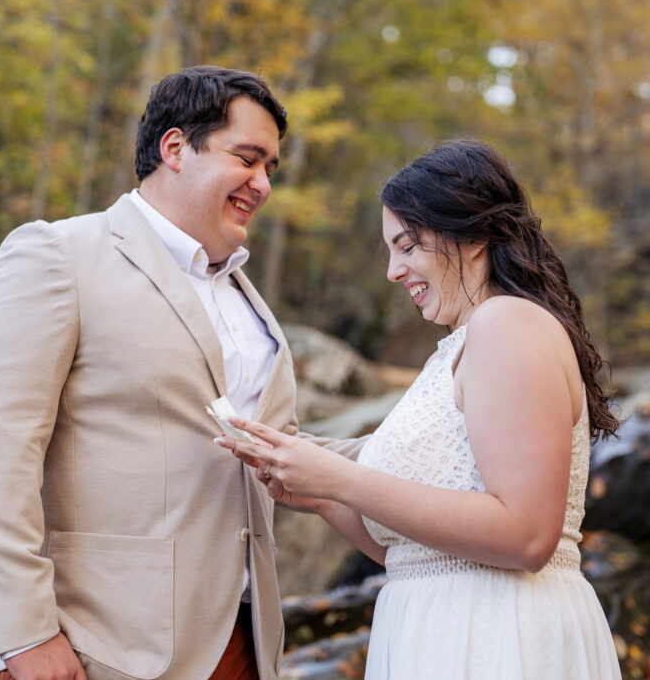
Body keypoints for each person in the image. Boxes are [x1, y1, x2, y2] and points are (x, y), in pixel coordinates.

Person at [0, 65, 361, 680]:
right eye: (247, 157)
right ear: (175, 148)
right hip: (100, 644)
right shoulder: (57, 255)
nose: (263, 183)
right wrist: (22, 636)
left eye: (271, 166)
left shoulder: (248, 301)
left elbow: (279, 450)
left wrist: (429, 446)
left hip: (246, 639)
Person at [217, 140, 623, 679]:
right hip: (435, 632)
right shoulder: (456, 349)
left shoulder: (507, 325)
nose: (393, 270)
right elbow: (414, 552)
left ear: (473, 234)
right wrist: (319, 496)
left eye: (407, 245)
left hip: (500, 639)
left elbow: (527, 536)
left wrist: (341, 478)